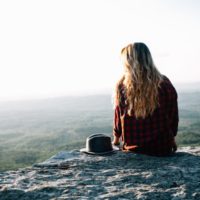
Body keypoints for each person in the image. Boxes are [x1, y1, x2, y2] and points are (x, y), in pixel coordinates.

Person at [112, 42, 179, 156]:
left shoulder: (122, 85)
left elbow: (119, 119)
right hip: (162, 148)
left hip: (133, 150)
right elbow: (172, 117)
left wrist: (116, 141)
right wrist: (171, 139)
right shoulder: (164, 83)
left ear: (128, 63)